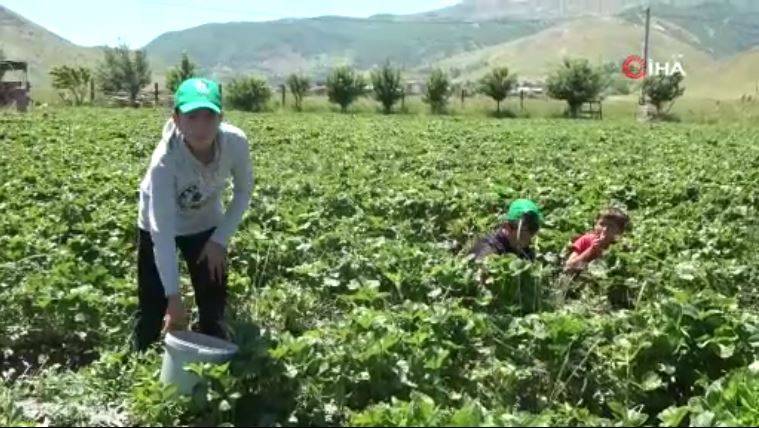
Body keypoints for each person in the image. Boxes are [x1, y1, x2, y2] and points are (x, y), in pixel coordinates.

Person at [133, 78, 254, 351]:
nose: (201, 126)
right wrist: (173, 298)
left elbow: (244, 191)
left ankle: (213, 349)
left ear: (221, 117)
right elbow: (161, 234)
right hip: (158, 224)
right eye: (192, 116)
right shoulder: (164, 162)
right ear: (176, 118)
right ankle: (141, 359)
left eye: (209, 116)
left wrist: (219, 240)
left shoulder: (235, 143)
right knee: (154, 305)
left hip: (205, 222)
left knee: (214, 300)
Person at [469, 199, 543, 262]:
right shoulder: (487, 254)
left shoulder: (523, 248)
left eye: (534, 229)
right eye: (528, 230)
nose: (531, 236)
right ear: (507, 227)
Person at [564, 207, 630, 273]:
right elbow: (568, 267)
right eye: (602, 224)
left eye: (611, 226)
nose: (605, 229)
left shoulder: (621, 247)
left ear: (620, 231)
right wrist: (592, 249)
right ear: (595, 225)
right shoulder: (586, 240)